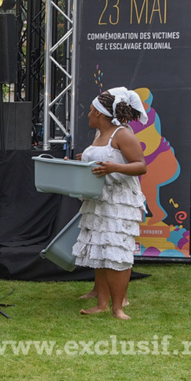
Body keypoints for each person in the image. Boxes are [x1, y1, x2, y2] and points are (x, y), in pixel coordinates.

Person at [73, 89, 147, 320]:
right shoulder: (99, 134)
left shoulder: (122, 134)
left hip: (119, 203)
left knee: (118, 253)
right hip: (98, 199)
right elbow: (101, 161)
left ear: (101, 113)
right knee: (101, 250)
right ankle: (102, 303)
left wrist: (115, 168)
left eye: (92, 111)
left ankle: (118, 308)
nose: (88, 115)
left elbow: (140, 165)